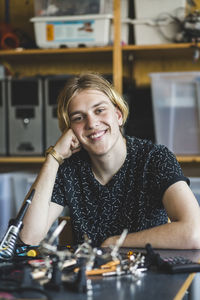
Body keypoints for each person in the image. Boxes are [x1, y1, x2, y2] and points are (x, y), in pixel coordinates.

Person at [20, 72, 200, 249]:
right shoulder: (69, 168)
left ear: (118, 115)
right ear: (70, 131)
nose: (91, 123)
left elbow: (195, 232)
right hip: (89, 276)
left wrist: (116, 242)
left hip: (148, 274)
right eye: (78, 118)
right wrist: (53, 157)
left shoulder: (155, 159)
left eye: (99, 110)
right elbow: (28, 236)